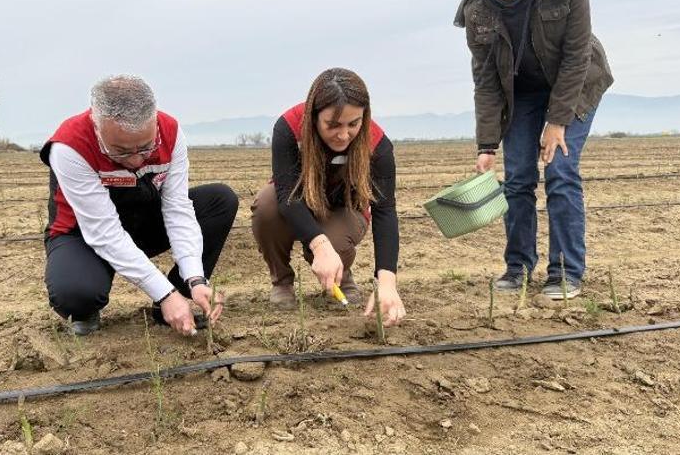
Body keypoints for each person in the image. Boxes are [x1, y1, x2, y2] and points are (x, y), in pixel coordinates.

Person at [40, 75, 239, 336]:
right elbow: (104, 232)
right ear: (97, 126)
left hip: (141, 222)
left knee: (220, 200)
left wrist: (195, 278)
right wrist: (163, 292)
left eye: (145, 148)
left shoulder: (170, 132)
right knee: (76, 294)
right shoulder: (70, 146)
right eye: (120, 151)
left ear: (154, 122)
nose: (135, 160)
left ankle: (181, 298)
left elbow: (177, 209)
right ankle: (90, 308)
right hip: (83, 234)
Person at [455, 0, 613, 299]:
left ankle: (566, 272)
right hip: (522, 94)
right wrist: (486, 145)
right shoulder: (476, 7)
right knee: (517, 178)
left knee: (560, 171)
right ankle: (518, 268)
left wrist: (557, 121)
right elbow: (486, 81)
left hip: (576, 83)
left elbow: (576, 55)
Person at [251, 67, 406, 327]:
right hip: (296, 200)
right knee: (267, 206)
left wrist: (387, 284)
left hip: (344, 209)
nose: (344, 135)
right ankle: (282, 282)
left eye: (353, 124)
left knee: (335, 243)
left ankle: (341, 274)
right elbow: (287, 193)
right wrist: (319, 245)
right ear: (314, 116)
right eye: (333, 125)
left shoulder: (377, 145)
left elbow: (385, 211)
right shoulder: (289, 127)